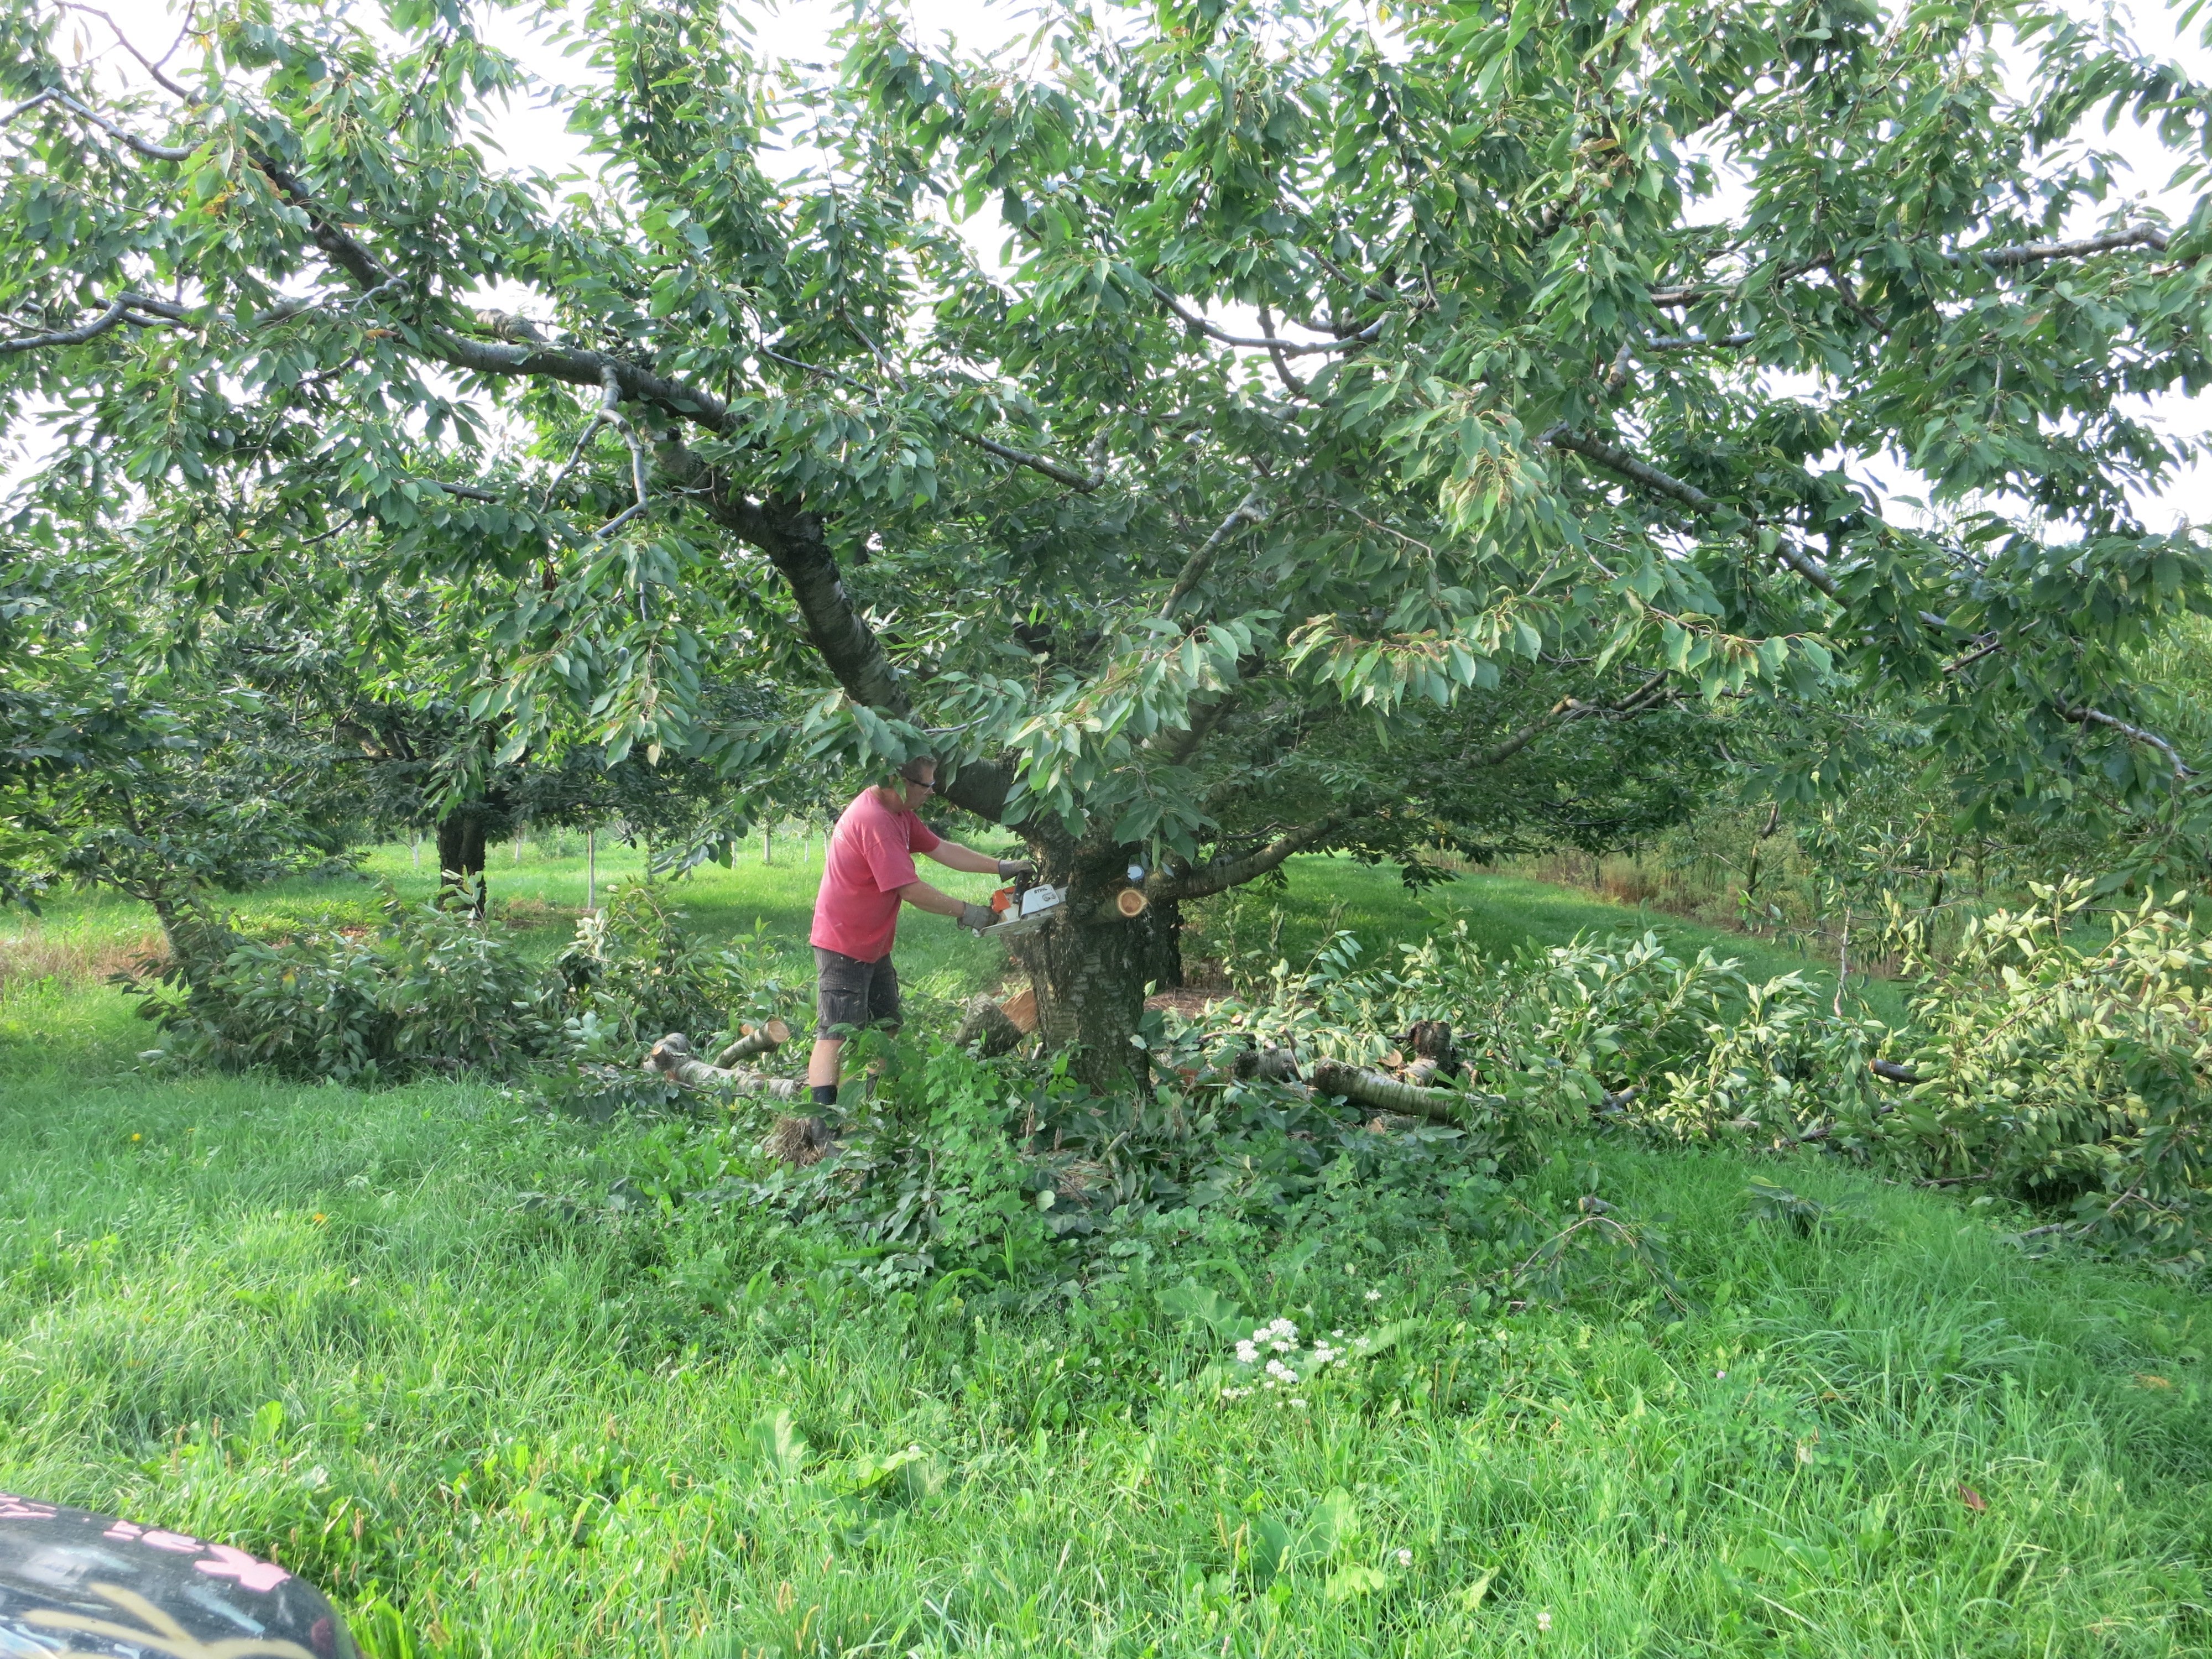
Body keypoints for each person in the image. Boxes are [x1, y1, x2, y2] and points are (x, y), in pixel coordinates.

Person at [807, 756, 1032, 1107]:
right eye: (927, 785)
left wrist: (1001, 867)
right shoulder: (875, 821)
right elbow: (910, 890)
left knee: (887, 1024)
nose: (932, 792)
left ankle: (875, 1102)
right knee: (835, 1034)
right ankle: (824, 1121)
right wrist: (970, 913)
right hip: (843, 942)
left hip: (874, 942)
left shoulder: (899, 813)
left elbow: (941, 849)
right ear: (901, 782)